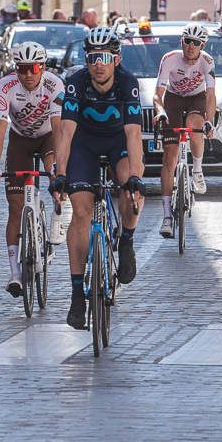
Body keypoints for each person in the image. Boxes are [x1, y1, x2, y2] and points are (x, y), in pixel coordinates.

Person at [50, 27, 145, 330]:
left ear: (116, 59)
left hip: (118, 143)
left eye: (104, 57)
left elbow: (133, 134)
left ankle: (126, 241)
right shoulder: (76, 83)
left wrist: (135, 177)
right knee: (80, 212)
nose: (98, 64)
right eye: (92, 58)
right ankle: (77, 296)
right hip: (84, 146)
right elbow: (65, 132)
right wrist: (61, 173)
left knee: (132, 196)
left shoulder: (128, 83)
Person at [0, 42, 64, 295]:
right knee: (15, 207)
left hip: (48, 137)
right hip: (19, 139)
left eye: (33, 68)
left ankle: (58, 217)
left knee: (55, 172)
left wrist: (59, 170)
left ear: (42, 67)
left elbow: (58, 125)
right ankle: (14, 273)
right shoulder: (6, 85)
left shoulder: (54, 84)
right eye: (22, 69)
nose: (28, 75)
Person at [153, 23, 216, 237]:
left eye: (196, 43)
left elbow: (211, 95)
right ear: (182, 41)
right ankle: (167, 216)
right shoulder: (169, 59)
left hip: (196, 98)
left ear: (202, 45)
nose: (191, 46)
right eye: (187, 41)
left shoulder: (207, 62)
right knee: (169, 158)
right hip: (173, 99)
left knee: (194, 124)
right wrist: (160, 111)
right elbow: (157, 94)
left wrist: (210, 120)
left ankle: (197, 169)